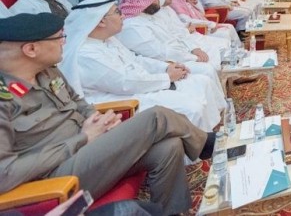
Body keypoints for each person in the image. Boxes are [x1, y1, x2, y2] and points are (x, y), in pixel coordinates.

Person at [0, 12, 216, 215]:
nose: (63, 42)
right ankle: (208, 143)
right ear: (31, 49)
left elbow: (77, 101)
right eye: (58, 38)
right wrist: (83, 138)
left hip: (89, 149)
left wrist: (97, 119)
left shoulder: (48, 71)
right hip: (55, 176)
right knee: (156, 117)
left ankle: (170, 211)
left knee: (169, 147)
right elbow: (5, 173)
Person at [61, 0, 224, 131]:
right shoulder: (85, 54)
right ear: (101, 21)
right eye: (117, 12)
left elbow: (136, 59)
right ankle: (199, 155)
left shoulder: (107, 40)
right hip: (121, 101)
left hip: (141, 85)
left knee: (201, 82)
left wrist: (166, 67)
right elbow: (124, 82)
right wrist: (167, 77)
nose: (123, 16)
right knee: (191, 107)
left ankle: (215, 130)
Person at [115, 0, 224, 89]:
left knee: (213, 56)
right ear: (143, 2)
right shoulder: (132, 26)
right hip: (165, 63)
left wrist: (194, 50)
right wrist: (193, 57)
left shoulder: (150, 16)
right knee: (207, 69)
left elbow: (175, 36)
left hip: (178, 55)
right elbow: (159, 53)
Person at [170, 0, 241, 44]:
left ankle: (238, 49)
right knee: (226, 33)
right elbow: (189, 21)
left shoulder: (186, 1)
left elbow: (202, 14)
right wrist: (211, 24)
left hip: (204, 26)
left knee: (230, 26)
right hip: (198, 31)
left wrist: (196, 3)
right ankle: (233, 51)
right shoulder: (177, 5)